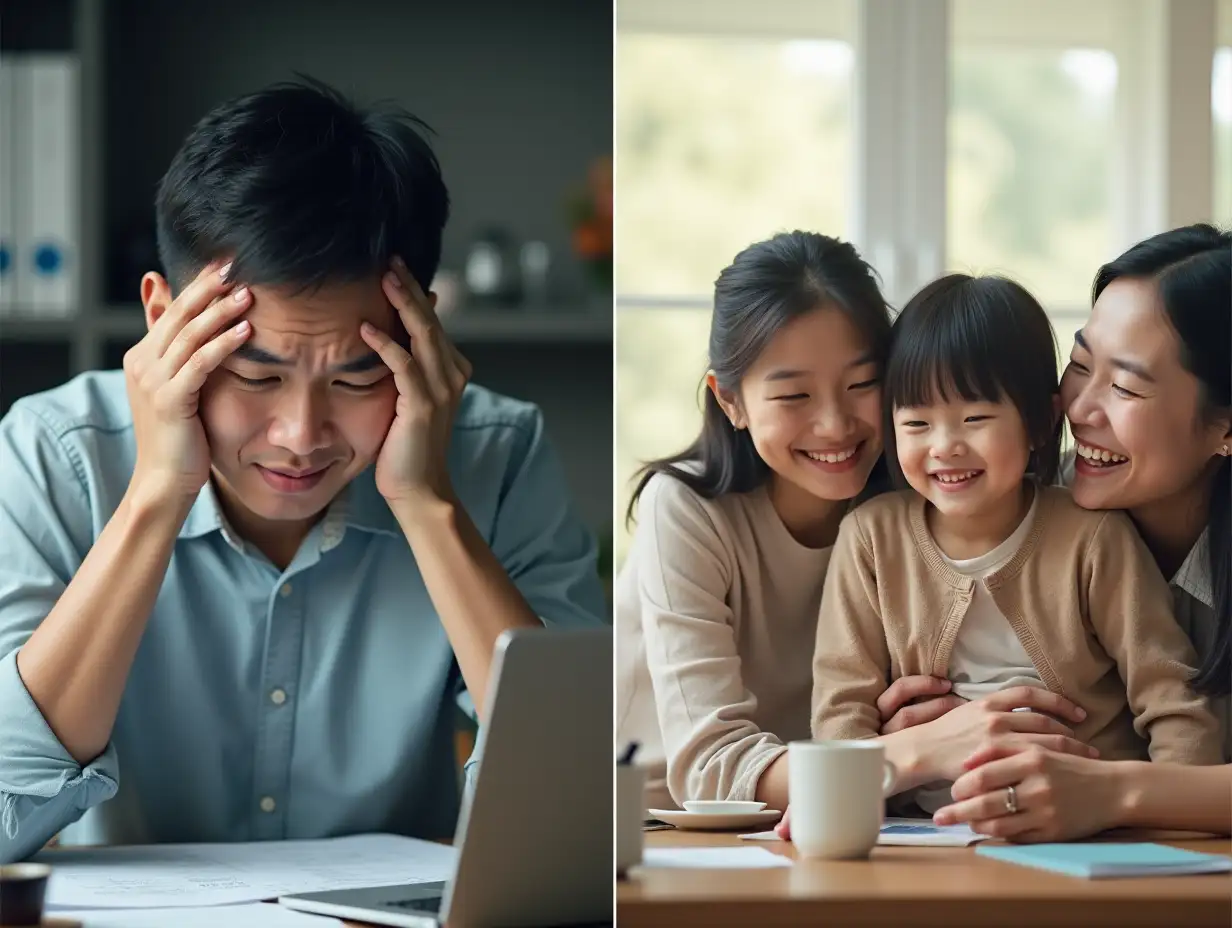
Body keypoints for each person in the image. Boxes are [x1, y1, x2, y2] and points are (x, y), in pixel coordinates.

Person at [0, 79, 605, 863]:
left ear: (420, 332)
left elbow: (578, 804)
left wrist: (426, 504)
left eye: (356, 379)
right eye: (255, 376)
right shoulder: (56, 453)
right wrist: (156, 495)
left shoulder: (497, 454)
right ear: (162, 321)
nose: (301, 435)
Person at [810, 274, 1222, 816]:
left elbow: (1173, 698)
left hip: (1088, 829)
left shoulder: (1093, 536)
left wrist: (1168, 838)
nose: (945, 446)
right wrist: (841, 811)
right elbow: (842, 706)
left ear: (1040, 422)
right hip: (925, 833)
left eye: (975, 419)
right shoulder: (869, 538)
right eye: (916, 423)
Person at [927, 224, 1231, 840]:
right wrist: (925, 726)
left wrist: (1116, 789)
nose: (1080, 409)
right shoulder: (1027, 511)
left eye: (1124, 386)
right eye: (1079, 365)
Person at [615, 231, 892, 814]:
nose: (836, 424)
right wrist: (909, 753)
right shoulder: (687, 510)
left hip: (833, 811)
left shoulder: (909, 508)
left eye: (863, 384)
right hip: (653, 827)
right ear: (731, 402)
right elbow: (709, 770)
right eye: (794, 396)